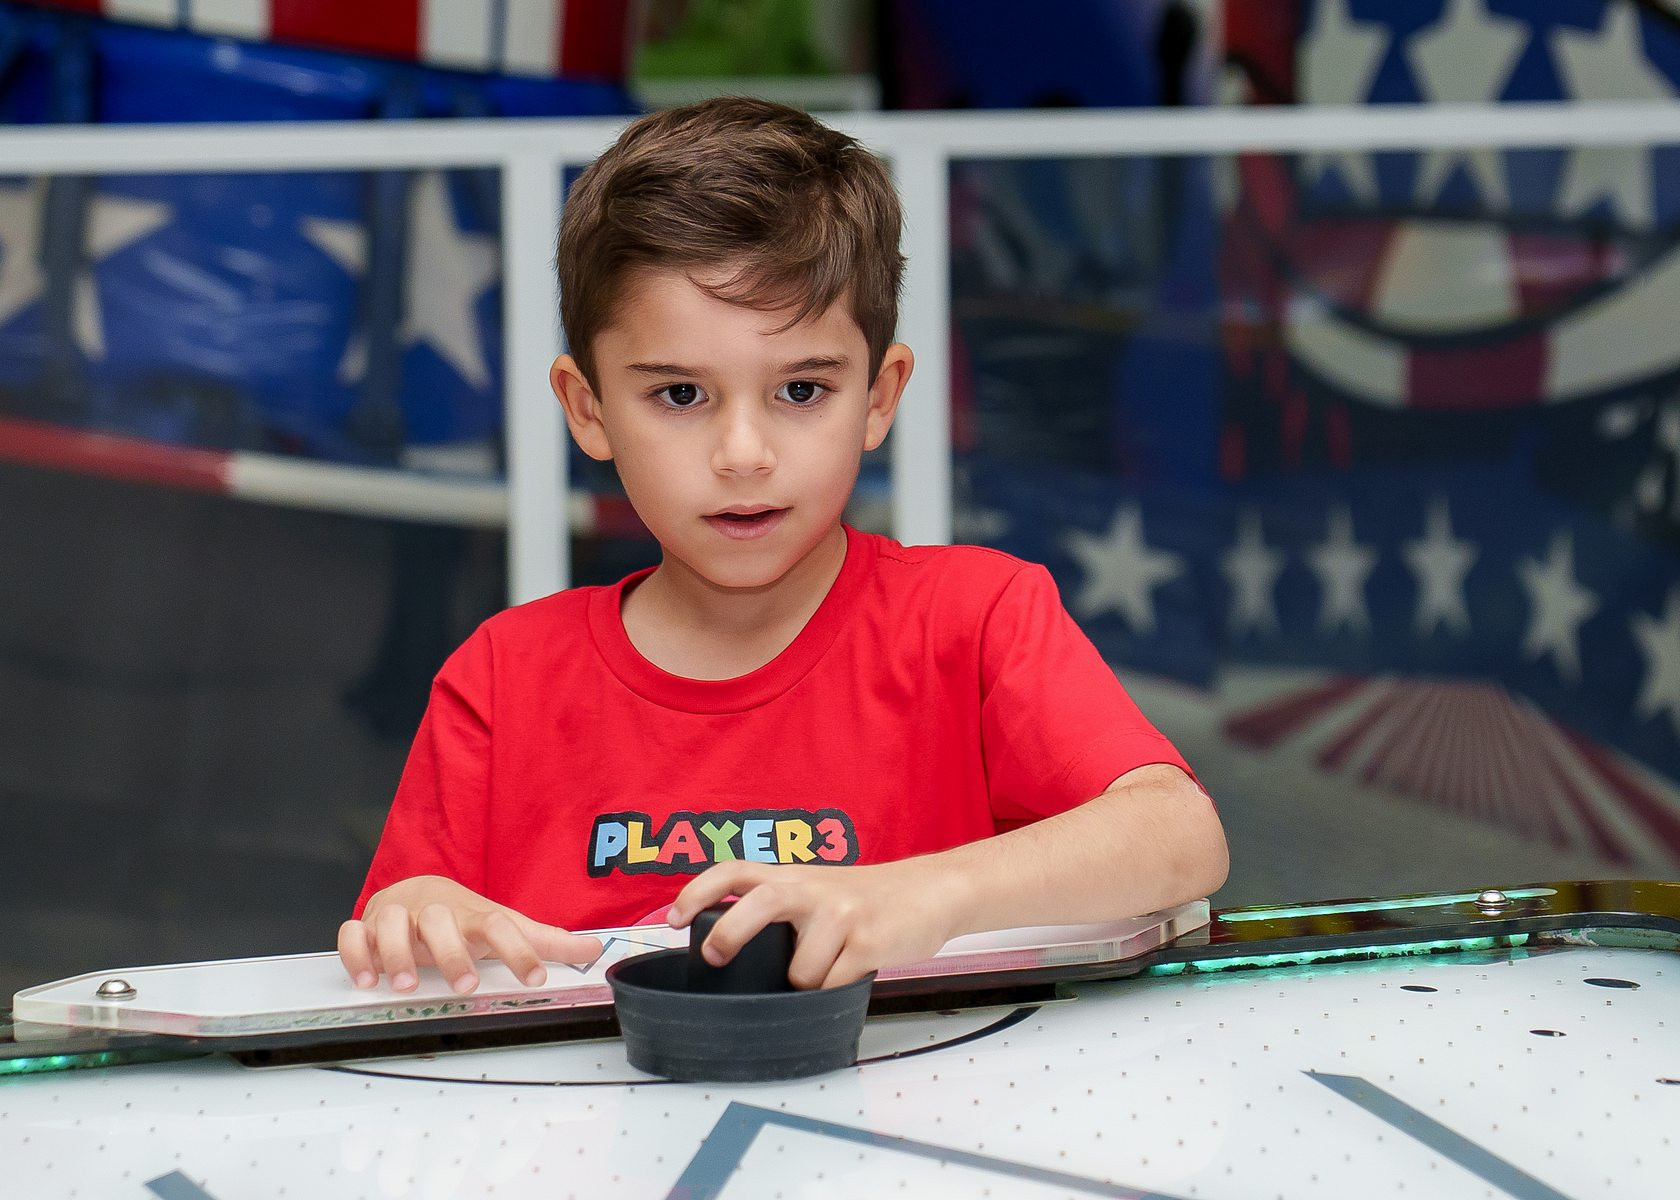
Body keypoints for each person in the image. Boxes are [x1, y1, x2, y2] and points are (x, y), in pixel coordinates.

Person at [337, 97, 1227, 997]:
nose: (743, 454)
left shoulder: (977, 617)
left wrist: (920, 894)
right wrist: (414, 913)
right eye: (680, 395)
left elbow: (1180, 833)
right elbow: (403, 928)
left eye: (801, 390)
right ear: (588, 408)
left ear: (879, 397)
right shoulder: (503, 676)